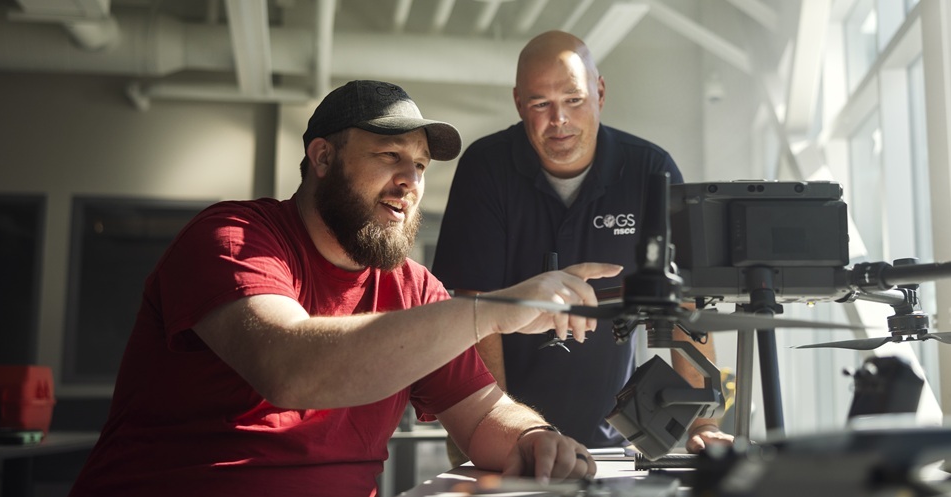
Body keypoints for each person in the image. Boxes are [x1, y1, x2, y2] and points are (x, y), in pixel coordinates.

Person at [69, 80, 617, 497]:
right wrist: (492, 311)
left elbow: (481, 415)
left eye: (421, 166)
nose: (410, 181)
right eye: (389, 157)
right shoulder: (234, 237)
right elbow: (291, 368)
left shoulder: (413, 289)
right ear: (323, 158)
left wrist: (532, 438)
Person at [432, 31, 733, 455]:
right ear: (519, 103)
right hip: (497, 422)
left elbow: (684, 303)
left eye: (573, 99)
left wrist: (703, 421)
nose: (559, 120)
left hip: (613, 436)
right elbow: (474, 311)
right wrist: (502, 431)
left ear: (600, 92)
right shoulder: (486, 169)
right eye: (541, 104)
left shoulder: (651, 171)